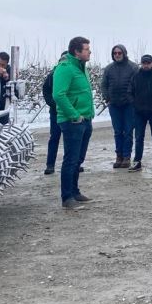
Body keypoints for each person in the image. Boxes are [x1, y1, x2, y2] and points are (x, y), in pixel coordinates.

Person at [52, 37, 95, 210]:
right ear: (77, 52)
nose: (89, 52)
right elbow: (58, 94)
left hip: (85, 119)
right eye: (86, 49)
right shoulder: (65, 68)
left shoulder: (81, 68)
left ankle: (75, 191)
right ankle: (67, 197)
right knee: (71, 159)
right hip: (72, 122)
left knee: (78, 159)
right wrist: (74, 115)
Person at [100, 45, 138, 169]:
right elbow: (103, 85)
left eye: (119, 53)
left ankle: (127, 157)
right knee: (117, 131)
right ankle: (119, 156)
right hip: (114, 104)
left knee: (128, 131)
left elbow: (137, 84)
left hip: (129, 105)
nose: (117, 55)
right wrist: (107, 98)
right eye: (115, 53)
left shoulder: (133, 67)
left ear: (124, 53)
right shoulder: (109, 69)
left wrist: (132, 99)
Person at [41, 55, 65, 175]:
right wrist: (52, 103)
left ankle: (75, 164)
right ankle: (50, 165)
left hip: (70, 112)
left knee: (71, 140)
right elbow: (46, 90)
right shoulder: (52, 75)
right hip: (56, 112)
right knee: (54, 138)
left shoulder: (74, 74)